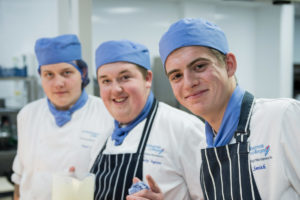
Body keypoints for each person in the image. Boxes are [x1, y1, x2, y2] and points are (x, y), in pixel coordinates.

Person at [155, 18, 300, 199]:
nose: (189, 83)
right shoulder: (205, 146)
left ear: (229, 65)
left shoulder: (282, 117)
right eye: (176, 76)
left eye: (199, 66)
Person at [89, 39, 206, 200]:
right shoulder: (102, 138)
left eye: (125, 77)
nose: (116, 89)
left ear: (148, 79)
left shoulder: (184, 128)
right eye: (106, 81)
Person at [11, 34, 113, 200]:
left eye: (66, 73)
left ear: (83, 73)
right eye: (49, 75)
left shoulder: (106, 113)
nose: (58, 83)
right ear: (41, 77)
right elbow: (20, 177)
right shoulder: (28, 114)